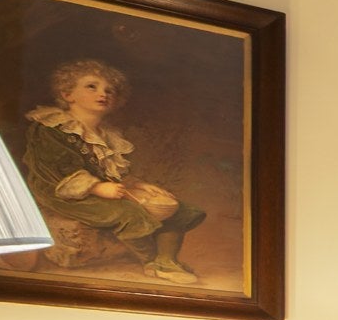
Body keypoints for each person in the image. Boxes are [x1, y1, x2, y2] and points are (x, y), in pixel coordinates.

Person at [21, 59, 207, 283]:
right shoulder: (53, 128)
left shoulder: (107, 134)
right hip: (62, 193)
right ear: (67, 94)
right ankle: (151, 261)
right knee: (129, 212)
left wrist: (135, 183)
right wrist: (97, 187)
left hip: (99, 190)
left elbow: (110, 172)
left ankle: (166, 261)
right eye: (92, 86)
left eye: (110, 90)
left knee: (178, 209)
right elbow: (55, 174)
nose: (104, 93)